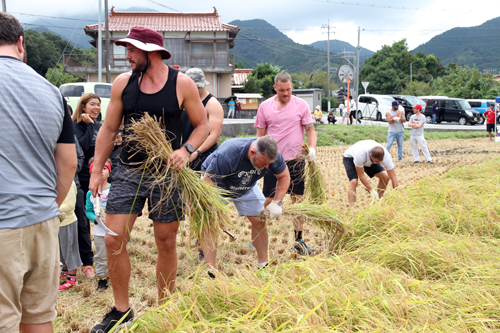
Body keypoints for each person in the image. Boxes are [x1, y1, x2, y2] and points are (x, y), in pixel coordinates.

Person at [88, 26, 208, 333]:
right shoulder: (123, 84)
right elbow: (108, 130)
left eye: (131, 50)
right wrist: (97, 170)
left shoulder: (181, 84)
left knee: (166, 241)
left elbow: (202, 126)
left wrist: (187, 149)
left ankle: (166, 306)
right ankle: (121, 310)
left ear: (150, 51)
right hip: (128, 169)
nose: (126, 55)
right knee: (114, 239)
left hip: (166, 173)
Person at [0, 13, 77, 333]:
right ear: (21, 43)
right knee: (38, 317)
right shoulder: (52, 92)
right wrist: (46, 204)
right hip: (43, 221)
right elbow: (69, 163)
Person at [200, 136, 290, 273]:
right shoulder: (228, 154)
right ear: (252, 152)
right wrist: (214, 210)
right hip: (217, 186)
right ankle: (211, 271)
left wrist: (277, 202)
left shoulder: (272, 155)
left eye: (269, 164)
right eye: (264, 163)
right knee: (210, 224)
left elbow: (284, 176)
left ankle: (263, 265)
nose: (267, 167)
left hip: (247, 186)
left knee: (259, 220)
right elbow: (207, 183)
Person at [255, 72, 317, 255]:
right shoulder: (265, 107)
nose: (285, 93)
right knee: (267, 199)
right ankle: (257, 235)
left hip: (296, 160)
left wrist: (312, 148)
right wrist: (258, 159)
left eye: (288, 90)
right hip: (272, 160)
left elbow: (310, 130)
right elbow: (259, 136)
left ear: (292, 87)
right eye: (282, 90)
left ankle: (299, 240)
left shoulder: (301, 105)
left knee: (298, 200)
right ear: (275, 88)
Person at [72, 93, 104, 279]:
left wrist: (116, 145)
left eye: (98, 105)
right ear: (83, 107)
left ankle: (103, 258)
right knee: (82, 222)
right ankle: (86, 262)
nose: (96, 108)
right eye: (92, 104)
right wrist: (91, 128)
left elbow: (100, 152)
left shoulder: (100, 126)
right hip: (81, 180)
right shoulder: (75, 127)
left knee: (99, 217)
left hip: (97, 179)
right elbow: (82, 148)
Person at [182, 68, 224, 171]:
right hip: (186, 153)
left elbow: (215, 135)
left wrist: (197, 152)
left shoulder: (212, 104)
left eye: (199, 86)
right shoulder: (184, 101)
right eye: (194, 86)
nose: (197, 89)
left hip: (205, 156)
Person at [343, 140, 399, 207]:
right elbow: (361, 175)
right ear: (371, 156)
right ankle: (352, 209)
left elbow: (393, 177)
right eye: (377, 161)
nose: (379, 163)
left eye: (380, 162)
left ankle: (377, 201)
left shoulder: (386, 156)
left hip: (369, 160)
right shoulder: (360, 155)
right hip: (350, 157)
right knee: (354, 181)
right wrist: (371, 190)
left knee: (385, 177)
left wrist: (398, 194)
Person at [86, 159, 113, 291]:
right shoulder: (90, 193)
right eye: (97, 169)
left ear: (109, 172)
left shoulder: (114, 190)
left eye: (104, 168)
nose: (101, 171)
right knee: (101, 255)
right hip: (99, 232)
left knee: (114, 254)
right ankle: (102, 278)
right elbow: (88, 210)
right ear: (91, 173)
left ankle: (115, 276)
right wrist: (96, 220)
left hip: (114, 230)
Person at [58, 181, 82, 291]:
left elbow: (69, 205)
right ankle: (65, 270)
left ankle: (72, 279)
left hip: (67, 222)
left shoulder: (69, 183)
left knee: (69, 250)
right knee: (61, 250)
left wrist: (49, 208)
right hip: (57, 222)